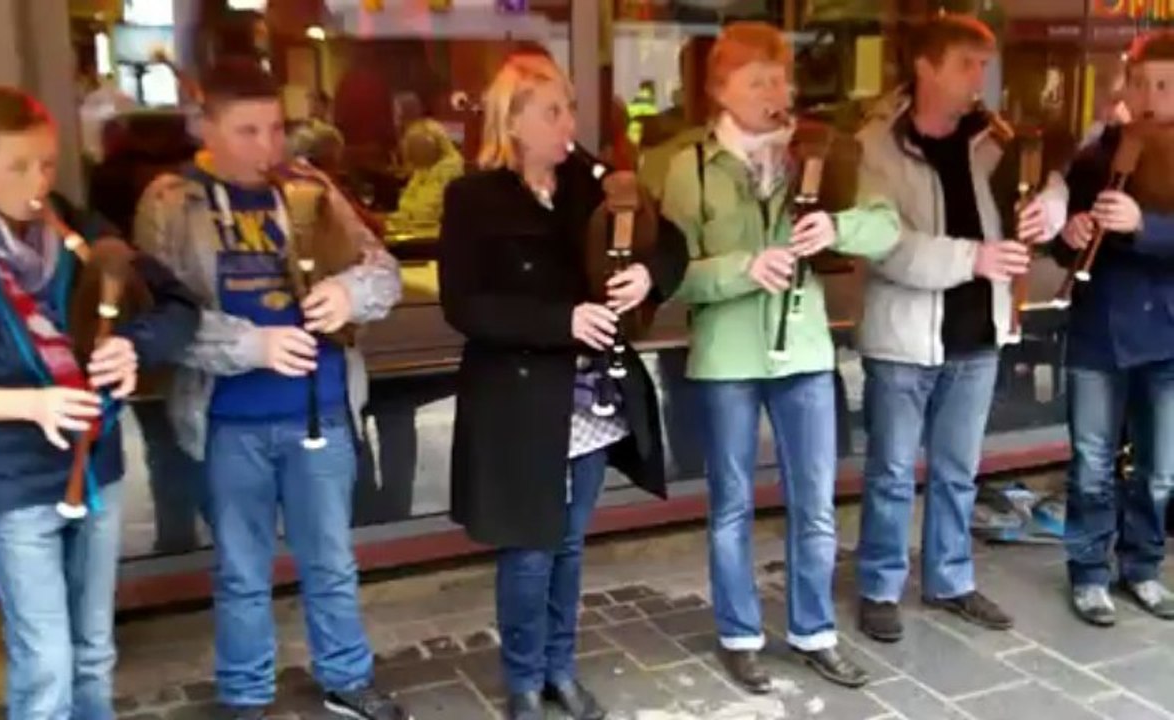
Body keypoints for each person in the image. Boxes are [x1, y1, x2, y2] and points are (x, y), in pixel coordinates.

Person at [0, 86, 198, 719]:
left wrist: (134, 346)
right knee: (46, 662)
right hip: (15, 478)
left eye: (48, 164)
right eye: (17, 166)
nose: (38, 183)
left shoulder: (81, 230)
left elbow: (177, 307)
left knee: (94, 650)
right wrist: (35, 406)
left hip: (97, 467)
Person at [132, 58, 408, 720]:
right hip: (228, 418)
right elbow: (156, 318)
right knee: (240, 570)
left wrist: (350, 293)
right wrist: (251, 346)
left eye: (276, 128)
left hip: (321, 408)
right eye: (248, 130)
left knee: (331, 561)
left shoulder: (309, 186)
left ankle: (346, 676)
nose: (268, 146)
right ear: (206, 127)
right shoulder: (171, 200)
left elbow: (385, 272)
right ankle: (245, 693)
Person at [437, 52, 688, 720]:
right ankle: (523, 680)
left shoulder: (593, 183)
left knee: (569, 544)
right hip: (519, 402)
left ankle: (559, 669)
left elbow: (671, 243)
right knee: (529, 546)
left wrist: (648, 276)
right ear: (513, 120)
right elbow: (464, 305)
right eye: (552, 111)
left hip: (589, 398)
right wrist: (561, 321)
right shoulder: (472, 198)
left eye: (570, 109)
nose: (568, 124)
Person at [660, 22, 900, 691]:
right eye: (757, 80)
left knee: (815, 503)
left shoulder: (819, 151)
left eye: (779, 79)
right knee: (731, 506)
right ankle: (738, 635)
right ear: (720, 90)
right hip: (726, 358)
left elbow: (885, 225)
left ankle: (814, 631)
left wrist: (836, 225)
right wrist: (742, 268)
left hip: (804, 350)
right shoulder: (689, 167)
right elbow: (670, 275)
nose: (775, 93)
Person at [853, 15, 1053, 644]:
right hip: (903, 339)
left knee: (958, 471)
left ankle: (949, 579)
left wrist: (1049, 209)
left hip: (978, 333)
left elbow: (1054, 182)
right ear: (926, 67)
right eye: (967, 65)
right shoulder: (876, 145)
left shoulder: (992, 140)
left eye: (984, 67)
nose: (979, 80)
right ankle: (880, 586)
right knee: (891, 474)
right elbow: (885, 246)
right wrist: (975, 258)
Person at [1052, 31, 1174, 626]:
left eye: (1166, 85)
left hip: (1168, 336)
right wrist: (1069, 233)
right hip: (1098, 330)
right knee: (1091, 464)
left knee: (1160, 471)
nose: (1151, 97)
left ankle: (1143, 566)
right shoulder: (1097, 155)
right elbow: (1063, 247)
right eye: (1142, 83)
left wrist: (1143, 226)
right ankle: (1088, 572)